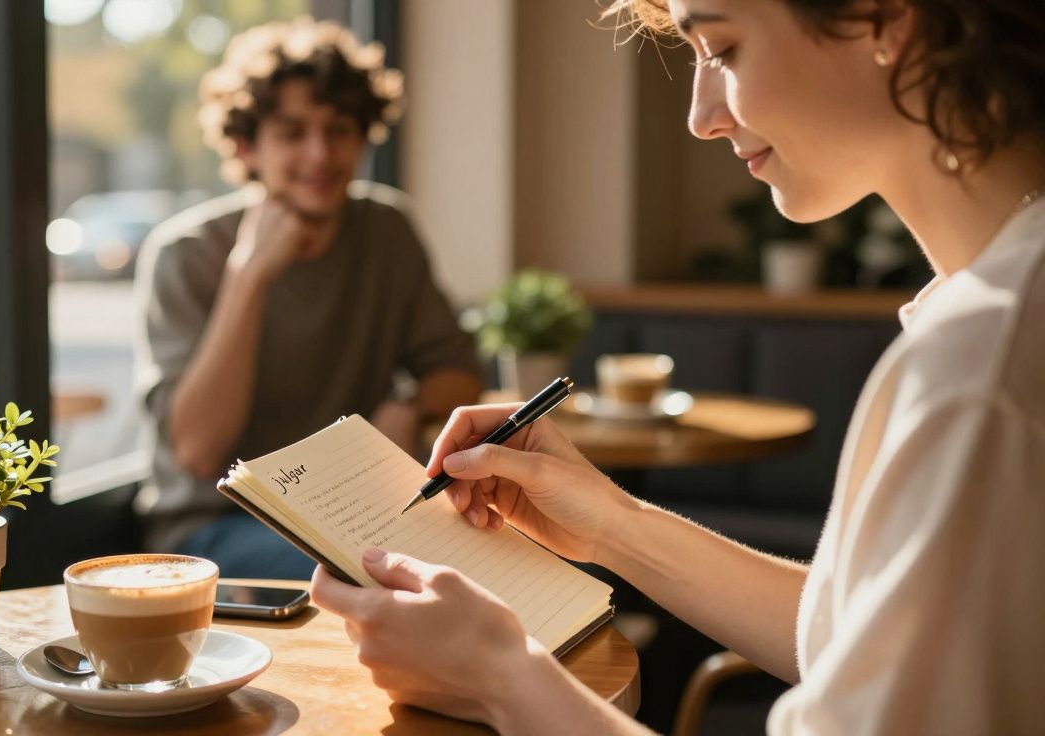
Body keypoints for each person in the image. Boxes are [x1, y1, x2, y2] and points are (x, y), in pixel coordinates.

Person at [310, 0, 1045, 733]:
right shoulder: (990, 314)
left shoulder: (989, 363)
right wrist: (614, 526)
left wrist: (502, 679)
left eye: (722, 50)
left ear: (883, 19)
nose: (700, 117)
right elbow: (858, 636)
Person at [133, 18, 482, 580]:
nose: (320, 154)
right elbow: (198, 452)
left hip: (358, 512)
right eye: (292, 133)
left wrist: (410, 405)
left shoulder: (386, 230)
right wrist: (249, 274)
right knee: (400, 572)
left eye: (339, 130)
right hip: (216, 529)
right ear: (247, 147)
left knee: (510, 546)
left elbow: (461, 375)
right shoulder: (185, 253)